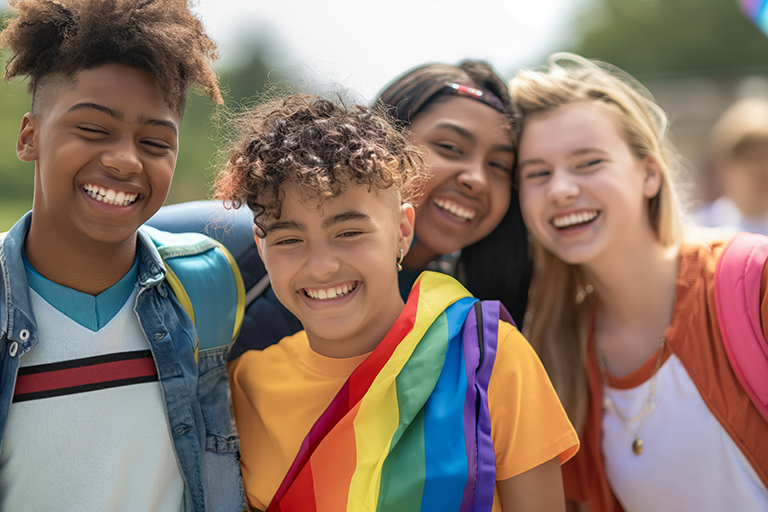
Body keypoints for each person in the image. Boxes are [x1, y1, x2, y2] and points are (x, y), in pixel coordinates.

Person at [218, 94, 579, 511]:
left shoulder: (485, 356)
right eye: (289, 239)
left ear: (402, 231)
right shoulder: (244, 387)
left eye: (349, 232)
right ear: (262, 249)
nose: (320, 267)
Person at [0, 0, 246, 509]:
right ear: (30, 137)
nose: (124, 159)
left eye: (155, 141)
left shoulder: (205, 280)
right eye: (93, 130)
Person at [510, 53, 768, 512]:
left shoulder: (754, 281)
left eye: (587, 163)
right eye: (538, 173)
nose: (561, 189)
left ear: (649, 173)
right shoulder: (555, 352)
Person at [147, 60, 532, 358]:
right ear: (384, 143)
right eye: (450, 147)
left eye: (499, 165)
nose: (476, 179)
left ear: (404, 228)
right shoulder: (235, 237)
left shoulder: (470, 321)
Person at [694, 97, 768, 235]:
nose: (760, 168)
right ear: (723, 167)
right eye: (748, 157)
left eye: (765, 155)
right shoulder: (702, 229)